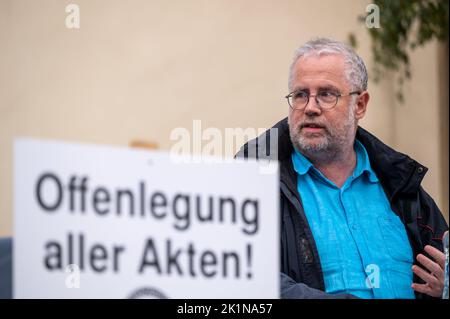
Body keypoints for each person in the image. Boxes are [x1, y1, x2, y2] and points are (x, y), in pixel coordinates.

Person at [236, 38, 449, 299]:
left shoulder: (404, 188)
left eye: (326, 94)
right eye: (300, 95)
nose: (310, 108)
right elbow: (246, 278)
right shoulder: (254, 184)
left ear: (359, 105)